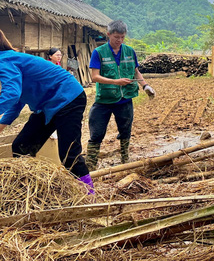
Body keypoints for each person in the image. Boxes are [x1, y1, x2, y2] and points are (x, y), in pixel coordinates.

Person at [0, 30, 94, 193]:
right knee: (22, 146)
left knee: (69, 155)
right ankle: (30, 191)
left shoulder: (4, 60)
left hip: (68, 98)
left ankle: (90, 197)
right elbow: (17, 100)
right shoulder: (8, 59)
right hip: (47, 104)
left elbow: (11, 93)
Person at [86, 20, 155, 171]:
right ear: (108, 34)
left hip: (125, 100)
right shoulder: (99, 52)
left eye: (122, 37)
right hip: (104, 99)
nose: (119, 40)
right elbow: (95, 77)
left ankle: (125, 160)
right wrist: (116, 81)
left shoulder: (130, 51)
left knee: (125, 131)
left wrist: (145, 86)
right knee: (96, 132)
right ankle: (91, 165)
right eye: (116, 37)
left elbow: (136, 72)